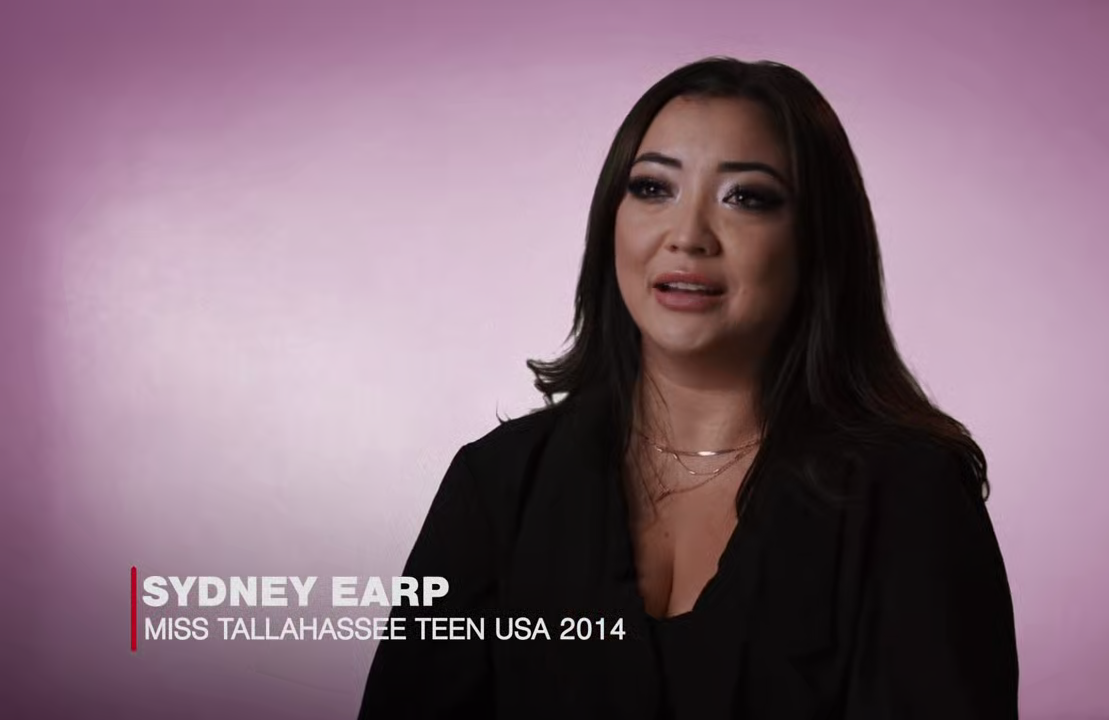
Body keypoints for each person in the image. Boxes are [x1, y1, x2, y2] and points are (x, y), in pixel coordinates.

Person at [357, 56, 1019, 719]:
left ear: (818, 241)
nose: (688, 236)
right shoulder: (497, 485)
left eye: (746, 197)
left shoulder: (911, 496)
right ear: (610, 221)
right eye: (653, 188)